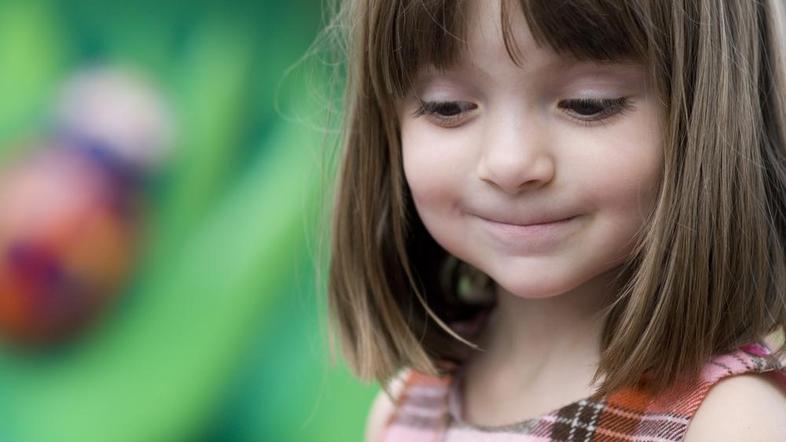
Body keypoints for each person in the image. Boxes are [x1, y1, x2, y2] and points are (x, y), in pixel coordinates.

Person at [325, 0, 786, 440]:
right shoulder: (406, 408)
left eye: (588, 103)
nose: (509, 164)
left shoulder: (731, 421)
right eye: (448, 107)